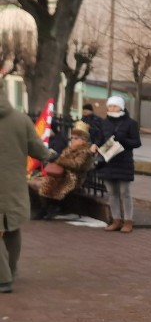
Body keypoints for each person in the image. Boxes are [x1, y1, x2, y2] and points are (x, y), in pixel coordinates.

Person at [0, 96, 57, 293]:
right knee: (12, 227)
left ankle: (3, 278)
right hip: (13, 186)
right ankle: (11, 271)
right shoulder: (20, 119)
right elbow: (38, 149)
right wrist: (50, 155)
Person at [93, 95, 141, 233]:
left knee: (124, 192)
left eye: (114, 106)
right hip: (108, 161)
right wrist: (95, 145)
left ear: (121, 107)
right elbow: (99, 138)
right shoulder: (104, 122)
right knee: (112, 193)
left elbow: (136, 143)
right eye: (110, 106)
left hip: (123, 162)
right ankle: (116, 220)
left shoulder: (130, 123)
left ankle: (128, 221)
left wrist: (123, 140)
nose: (112, 108)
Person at [37, 121, 95, 218]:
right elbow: (60, 160)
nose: (72, 140)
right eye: (72, 138)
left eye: (76, 138)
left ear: (83, 140)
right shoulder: (69, 149)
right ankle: (48, 207)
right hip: (63, 173)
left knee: (50, 181)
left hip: (74, 176)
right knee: (46, 180)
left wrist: (61, 161)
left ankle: (50, 207)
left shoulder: (85, 151)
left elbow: (77, 165)